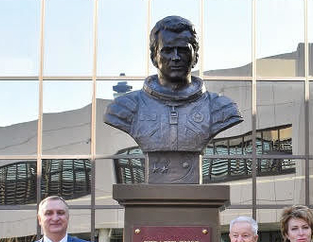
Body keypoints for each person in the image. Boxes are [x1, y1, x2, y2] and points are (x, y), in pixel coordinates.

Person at [104, 15, 242, 183]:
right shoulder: (125, 108)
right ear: (154, 57)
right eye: (167, 50)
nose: (175, 57)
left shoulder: (221, 108)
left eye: (183, 50)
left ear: (195, 56)